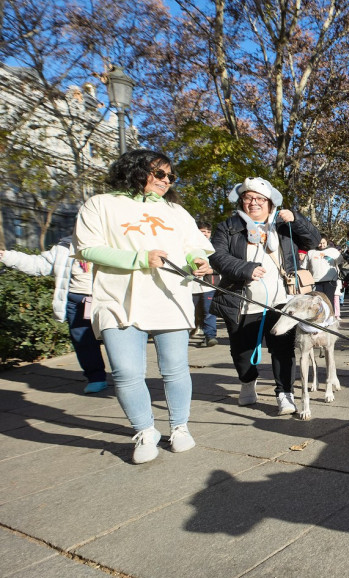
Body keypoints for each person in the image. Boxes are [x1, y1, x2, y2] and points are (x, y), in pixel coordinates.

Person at [74, 149, 214, 463]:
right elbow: (87, 248)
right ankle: (144, 431)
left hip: (170, 295)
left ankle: (180, 427)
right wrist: (139, 258)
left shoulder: (174, 210)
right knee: (126, 372)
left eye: (171, 176)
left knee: (175, 369)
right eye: (159, 173)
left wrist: (198, 261)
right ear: (136, 170)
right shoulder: (100, 204)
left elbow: (193, 246)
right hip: (118, 298)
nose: (167, 180)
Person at [209, 177, 320, 416]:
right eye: (248, 198)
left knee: (283, 348)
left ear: (270, 203)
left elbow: (313, 240)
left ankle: (285, 393)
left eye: (260, 198)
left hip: (281, 299)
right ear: (241, 201)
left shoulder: (282, 225)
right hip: (242, 300)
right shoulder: (228, 226)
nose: (254, 202)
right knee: (243, 351)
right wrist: (244, 268)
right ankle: (248, 382)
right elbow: (216, 256)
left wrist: (297, 220)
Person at [1, 237, 108, 393]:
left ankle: (126, 376)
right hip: (75, 301)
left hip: (105, 299)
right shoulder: (65, 246)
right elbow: (40, 265)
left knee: (115, 338)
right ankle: (96, 378)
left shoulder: (108, 240)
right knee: (83, 341)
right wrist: (6, 256)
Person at [191, 221, 220, 347]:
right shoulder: (188, 245)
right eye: (203, 231)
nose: (206, 234)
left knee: (209, 311)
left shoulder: (214, 247)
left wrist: (211, 270)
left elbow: (222, 266)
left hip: (209, 286)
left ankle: (210, 336)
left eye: (208, 232)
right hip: (191, 286)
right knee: (192, 312)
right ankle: (188, 332)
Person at [305, 236, 341, 314]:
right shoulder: (310, 252)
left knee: (329, 301)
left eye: (323, 243)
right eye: (319, 243)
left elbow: (341, 263)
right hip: (316, 281)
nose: (321, 245)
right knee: (317, 302)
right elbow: (304, 267)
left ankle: (330, 319)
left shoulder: (333, 251)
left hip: (330, 281)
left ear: (327, 242)